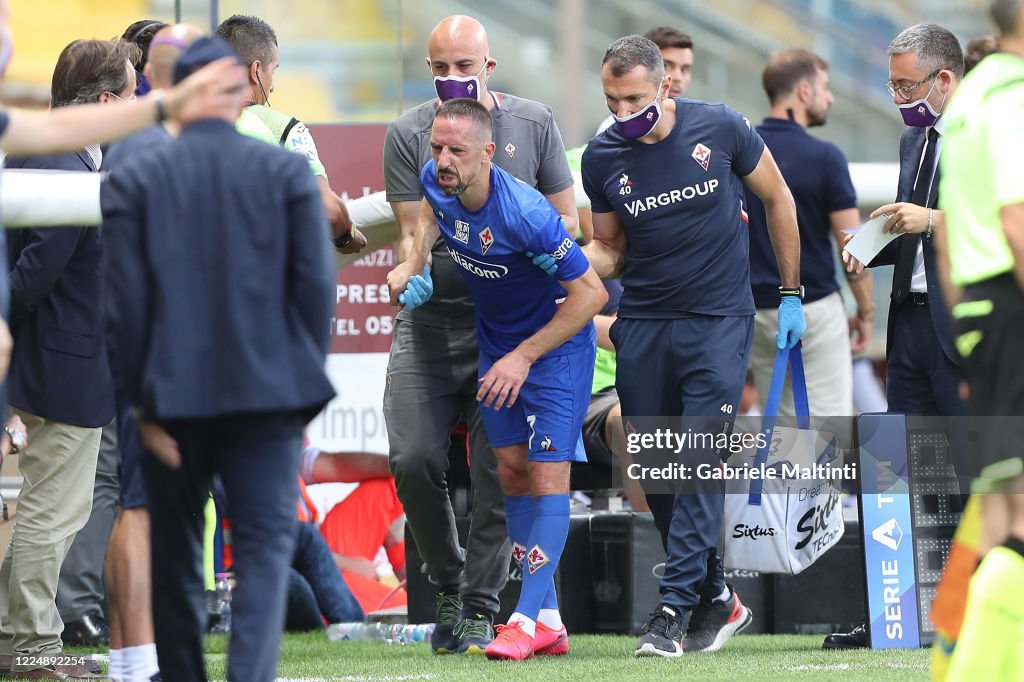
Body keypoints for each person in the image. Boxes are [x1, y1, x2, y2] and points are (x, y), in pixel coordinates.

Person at [102, 36, 336, 682]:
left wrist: (141, 408)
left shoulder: (139, 177)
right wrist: (299, 394)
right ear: (239, 93)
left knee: (179, 555)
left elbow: (123, 308)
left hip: (171, 402)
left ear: (174, 95)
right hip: (269, 400)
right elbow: (315, 293)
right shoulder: (286, 173)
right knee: (263, 554)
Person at [581, 35, 803, 658]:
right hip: (645, 322)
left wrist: (790, 295)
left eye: (633, 99)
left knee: (699, 459)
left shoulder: (722, 127)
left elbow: (778, 198)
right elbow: (611, 249)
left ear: (664, 87)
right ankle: (718, 596)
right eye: (611, 100)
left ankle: (672, 611)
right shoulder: (601, 158)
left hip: (719, 320)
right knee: (658, 472)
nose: (623, 112)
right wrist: (563, 261)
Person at [382, 14, 580, 655]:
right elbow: (418, 228)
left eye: (464, 67)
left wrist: (549, 296)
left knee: (500, 470)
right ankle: (447, 581)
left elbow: (566, 223)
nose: (452, 80)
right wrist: (409, 270)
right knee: (412, 459)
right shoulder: (409, 132)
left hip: (511, 324)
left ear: (488, 68)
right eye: (439, 68)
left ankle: (481, 605)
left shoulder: (534, 122)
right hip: (432, 322)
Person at [0, 37, 139, 680]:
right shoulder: (61, 164)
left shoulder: (54, 153)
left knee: (51, 511)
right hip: (60, 365)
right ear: (107, 101)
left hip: (58, 361)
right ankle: (28, 647)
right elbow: (31, 275)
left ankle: (21, 637)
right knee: (52, 516)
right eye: (132, 94)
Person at [832, 23, 966, 650]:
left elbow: (998, 223)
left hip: (966, 329)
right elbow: (909, 230)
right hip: (909, 325)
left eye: (906, 85)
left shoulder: (987, 133)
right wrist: (869, 246)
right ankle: (895, 612)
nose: (897, 97)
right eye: (890, 86)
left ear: (944, 78)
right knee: (901, 474)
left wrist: (931, 217)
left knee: (969, 475)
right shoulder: (916, 138)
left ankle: (966, 616)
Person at [99, 23, 206, 682]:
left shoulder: (139, 141)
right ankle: (136, 660)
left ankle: (131, 655)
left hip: (137, 338)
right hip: (153, 343)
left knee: (138, 501)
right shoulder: (152, 148)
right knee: (140, 502)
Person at [934, 1, 1024, 676]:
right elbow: (1017, 220)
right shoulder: (1013, 97)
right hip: (1012, 299)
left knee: (997, 506)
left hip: (981, 311)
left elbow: (944, 235)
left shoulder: (969, 100)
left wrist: (966, 336)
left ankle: (951, 658)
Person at [745, 48, 873, 417]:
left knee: (781, 423)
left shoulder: (741, 150)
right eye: (824, 87)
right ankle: (816, 479)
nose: (829, 97)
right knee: (825, 427)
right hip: (813, 309)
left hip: (756, 311)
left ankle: (786, 478)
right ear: (803, 91)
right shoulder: (825, 156)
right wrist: (865, 309)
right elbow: (853, 245)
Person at [216, 14, 366, 254]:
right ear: (255, 70)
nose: (272, 85)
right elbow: (328, 208)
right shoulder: (285, 129)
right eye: (272, 70)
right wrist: (346, 237)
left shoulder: (184, 122)